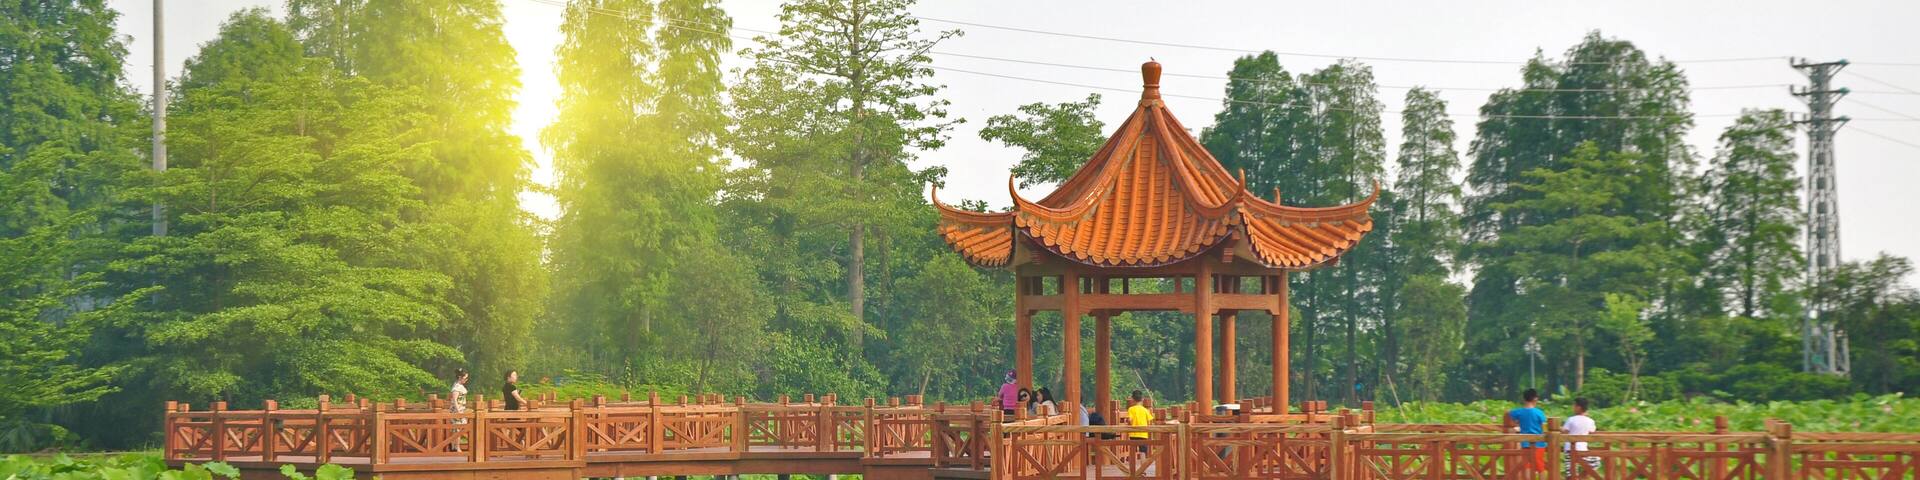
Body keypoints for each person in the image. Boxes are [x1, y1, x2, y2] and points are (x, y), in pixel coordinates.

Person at [1508, 388, 1548, 473]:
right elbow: (1544, 427)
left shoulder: (1518, 412)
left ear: (1524, 399)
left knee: (1527, 467)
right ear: (1535, 399)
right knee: (1540, 468)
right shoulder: (1539, 413)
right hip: (1539, 444)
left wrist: (1515, 424)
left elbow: (1508, 414)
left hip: (1525, 443)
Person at [1562, 397, 1601, 477]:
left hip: (1569, 449)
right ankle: (1581, 477)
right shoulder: (1590, 421)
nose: (1573, 407)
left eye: (1574, 405)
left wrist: (1557, 428)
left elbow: (1564, 431)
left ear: (1579, 407)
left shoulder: (1571, 419)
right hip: (1582, 450)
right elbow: (1592, 432)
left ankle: (1577, 478)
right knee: (1595, 462)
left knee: (1570, 473)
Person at [1126, 390, 1155, 459]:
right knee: (1143, 451)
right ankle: (1143, 467)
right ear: (1142, 399)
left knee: (1132, 450)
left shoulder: (1131, 409)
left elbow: (1130, 420)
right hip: (1143, 434)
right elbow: (1150, 421)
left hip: (1133, 434)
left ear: (1132, 399)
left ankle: (1132, 467)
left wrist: (1128, 422)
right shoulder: (1145, 410)